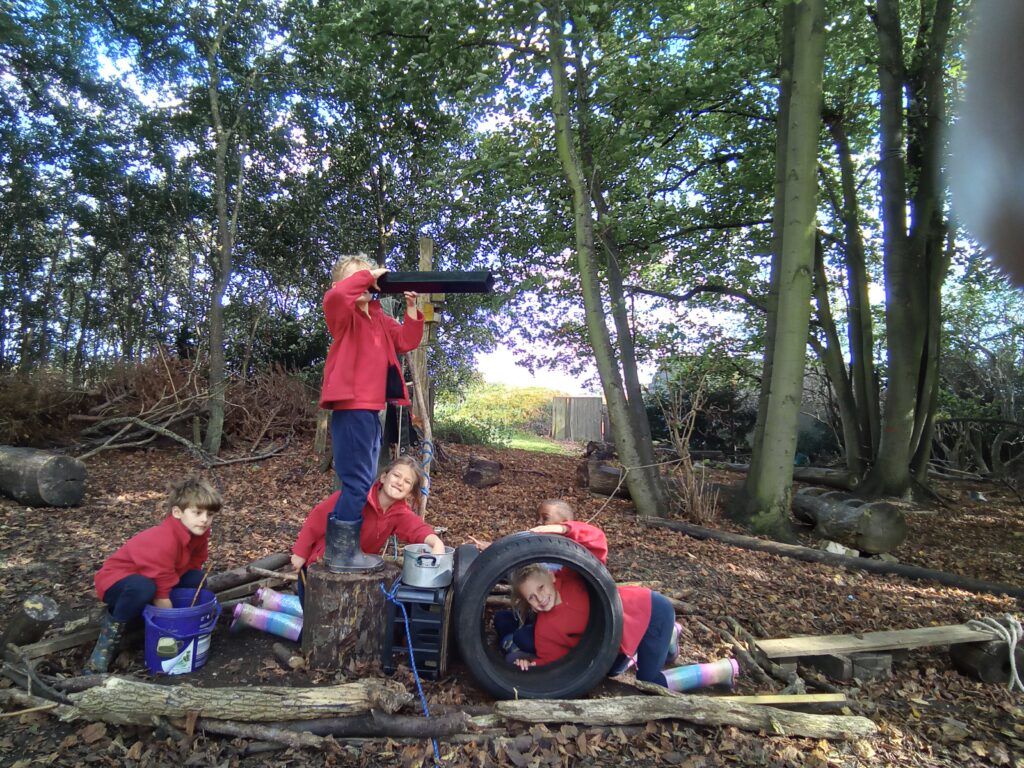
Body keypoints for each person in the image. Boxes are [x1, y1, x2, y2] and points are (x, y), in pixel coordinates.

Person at [509, 521, 737, 692]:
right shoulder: (544, 629)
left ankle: (721, 670)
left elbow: (596, 543)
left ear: (551, 575)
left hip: (650, 611)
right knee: (611, 672)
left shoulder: (574, 577)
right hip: (620, 636)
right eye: (531, 597)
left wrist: (563, 529)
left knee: (650, 683)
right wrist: (529, 664)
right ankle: (668, 639)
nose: (539, 598)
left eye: (540, 588)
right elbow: (553, 662)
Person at [319, 254, 423, 572]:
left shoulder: (378, 316)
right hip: (351, 408)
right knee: (356, 483)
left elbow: (406, 341)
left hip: (372, 411)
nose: (364, 280)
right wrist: (368, 275)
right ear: (343, 284)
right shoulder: (342, 315)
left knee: (363, 483)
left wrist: (411, 311)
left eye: (367, 276)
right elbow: (338, 295)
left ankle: (345, 550)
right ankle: (340, 553)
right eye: (356, 277)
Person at [86, 477, 222, 673]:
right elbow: (161, 589)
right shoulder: (164, 539)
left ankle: (142, 622)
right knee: (144, 588)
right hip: (117, 581)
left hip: (151, 577)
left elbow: (194, 562)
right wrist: (174, 626)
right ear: (177, 512)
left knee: (196, 579)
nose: (204, 519)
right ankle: (107, 644)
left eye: (209, 514)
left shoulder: (199, 533)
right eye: (197, 513)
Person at [291, 456, 445, 594]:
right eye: (397, 475)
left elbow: (417, 528)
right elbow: (317, 517)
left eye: (407, 482)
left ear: (410, 492)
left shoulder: (399, 513)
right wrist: (300, 553)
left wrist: (436, 542)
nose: (400, 483)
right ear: (384, 477)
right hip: (321, 567)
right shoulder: (356, 497)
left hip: (355, 574)